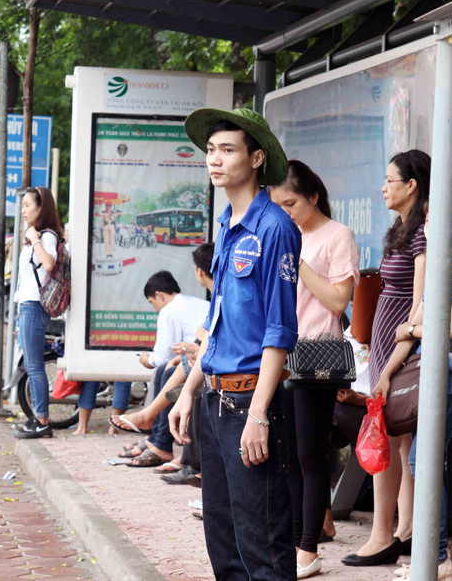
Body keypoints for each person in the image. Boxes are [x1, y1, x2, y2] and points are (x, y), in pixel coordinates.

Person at [167, 106, 300, 580]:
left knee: (262, 545)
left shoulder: (275, 228)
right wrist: (187, 390)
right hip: (215, 402)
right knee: (224, 546)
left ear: (257, 157)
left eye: (227, 149)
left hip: (251, 404)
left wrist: (260, 414)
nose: (214, 160)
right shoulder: (225, 226)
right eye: (210, 150)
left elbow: (279, 332)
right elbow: (218, 320)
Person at [269, 160, 360, 579]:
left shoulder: (336, 236)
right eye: (278, 205)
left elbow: (339, 301)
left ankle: (308, 549)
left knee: (309, 453)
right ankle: (295, 537)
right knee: (285, 453)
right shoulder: (284, 234)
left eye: (291, 203)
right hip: (279, 354)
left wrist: (299, 262)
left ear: (313, 196)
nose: (285, 211)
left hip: (316, 356)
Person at [343, 149, 430, 567]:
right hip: (383, 349)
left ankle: (384, 536)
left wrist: (393, 363)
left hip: (401, 352)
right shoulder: (403, 227)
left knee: (393, 436)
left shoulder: (423, 232)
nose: (382, 188)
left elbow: (420, 308)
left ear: (411, 185)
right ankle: (404, 531)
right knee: (399, 442)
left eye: (390, 180)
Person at [376, 194, 452, 581]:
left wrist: (412, 328)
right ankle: (432, 557)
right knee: (423, 459)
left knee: (422, 459)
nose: (433, 227)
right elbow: (412, 328)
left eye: (445, 219)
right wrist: (386, 373)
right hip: (427, 378)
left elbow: (446, 327)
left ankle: (438, 557)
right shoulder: (441, 267)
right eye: (429, 220)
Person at [111, 271, 209, 465]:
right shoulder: (196, 302)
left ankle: (161, 443)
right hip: (198, 358)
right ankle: (154, 437)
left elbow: (163, 355)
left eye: (152, 302)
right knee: (166, 369)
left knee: (162, 370)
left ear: (160, 296)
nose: (154, 307)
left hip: (203, 363)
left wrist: (148, 359)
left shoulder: (168, 310)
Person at [12, 186, 64, 439]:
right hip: (27, 306)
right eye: (22, 206)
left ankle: (42, 420)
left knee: (34, 366)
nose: (23, 211)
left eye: (28, 205)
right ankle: (38, 418)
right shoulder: (36, 235)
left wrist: (35, 239)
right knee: (32, 365)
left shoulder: (46, 236)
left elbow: (49, 263)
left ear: (41, 208)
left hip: (35, 306)